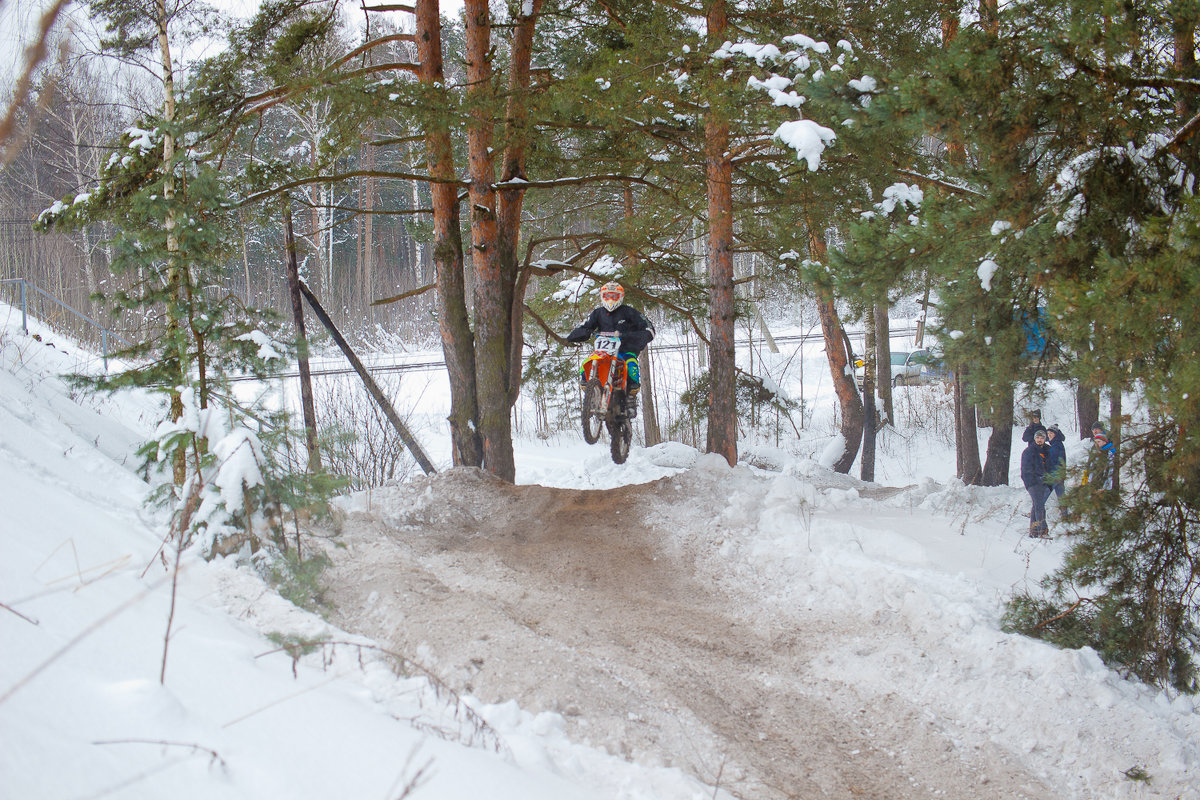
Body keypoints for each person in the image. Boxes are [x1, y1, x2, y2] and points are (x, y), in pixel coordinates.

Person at [565, 281, 655, 417]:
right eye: (607, 296)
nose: (611, 299)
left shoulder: (629, 312)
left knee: (631, 364)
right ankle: (590, 393)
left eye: (614, 296)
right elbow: (584, 326)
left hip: (624, 350)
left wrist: (635, 336)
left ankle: (631, 398)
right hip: (603, 352)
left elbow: (648, 327)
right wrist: (575, 335)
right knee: (585, 364)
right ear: (602, 297)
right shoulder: (598, 313)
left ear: (621, 296)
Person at [1020, 428, 1051, 537]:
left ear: (1045, 439)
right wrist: (1032, 482)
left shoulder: (1048, 450)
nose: (1039, 440)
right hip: (1033, 483)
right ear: (1034, 439)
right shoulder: (1029, 451)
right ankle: (1042, 531)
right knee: (1039, 506)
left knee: (1037, 505)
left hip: (1045, 483)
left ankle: (1034, 532)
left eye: (1042, 438)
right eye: (1037, 437)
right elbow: (1025, 469)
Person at [1083, 422, 1117, 491]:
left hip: (1102, 481)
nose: (1094, 431)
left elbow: (1109, 469)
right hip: (1094, 479)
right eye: (1093, 429)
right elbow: (1090, 463)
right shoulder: (1095, 446)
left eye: (1097, 429)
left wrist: (1106, 486)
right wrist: (1085, 479)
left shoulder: (1108, 444)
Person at [1045, 424, 1067, 499]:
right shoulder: (1056, 444)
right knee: (1061, 496)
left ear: (1055, 434)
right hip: (1059, 474)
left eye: (1051, 433)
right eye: (1048, 433)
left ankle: (1035, 511)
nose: (1049, 435)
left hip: (1055, 475)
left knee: (1043, 497)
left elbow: (1057, 461)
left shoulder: (1057, 445)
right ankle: (1064, 511)